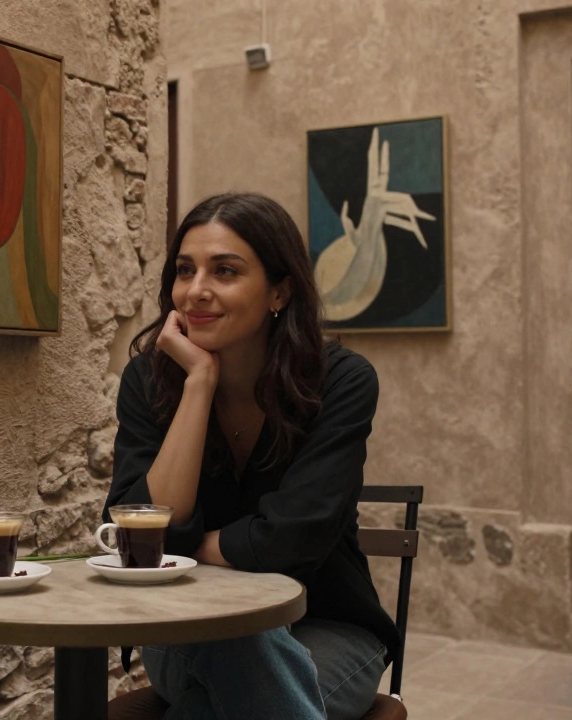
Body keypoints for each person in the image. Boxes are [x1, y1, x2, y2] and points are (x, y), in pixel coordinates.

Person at [105, 192, 399, 719]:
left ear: (280, 292)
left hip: (325, 623)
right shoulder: (148, 381)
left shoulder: (342, 382)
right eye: (185, 270)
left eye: (225, 271)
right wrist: (198, 384)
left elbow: (295, 538)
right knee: (230, 634)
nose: (196, 291)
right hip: (183, 627)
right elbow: (141, 537)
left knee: (211, 696)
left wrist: (187, 545)